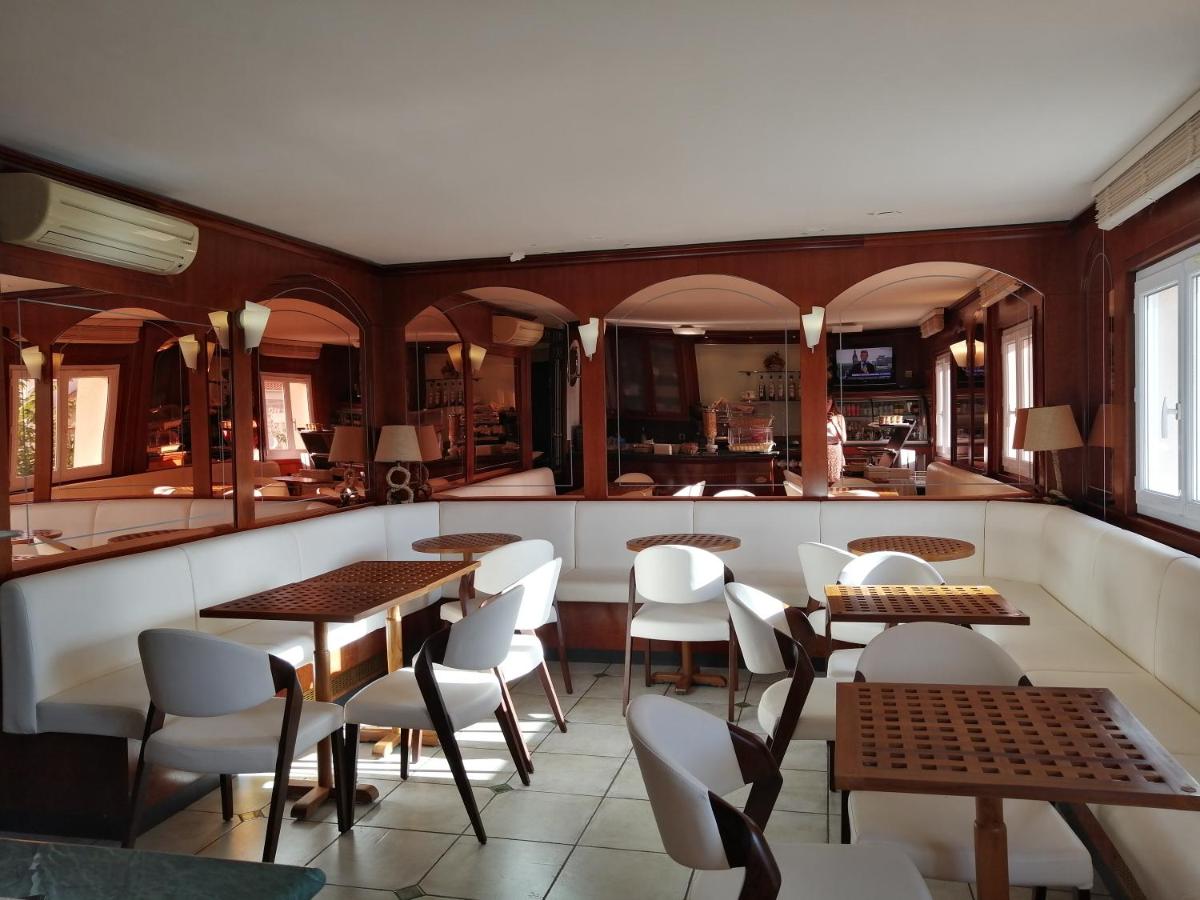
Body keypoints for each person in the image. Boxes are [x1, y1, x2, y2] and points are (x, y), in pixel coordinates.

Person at [826, 396, 847, 486]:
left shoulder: (839, 417)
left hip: (834, 451)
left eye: (828, 401)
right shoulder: (817, 416)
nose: (825, 404)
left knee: (834, 481)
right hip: (820, 451)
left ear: (832, 403)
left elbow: (844, 439)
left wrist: (835, 423)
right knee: (821, 480)